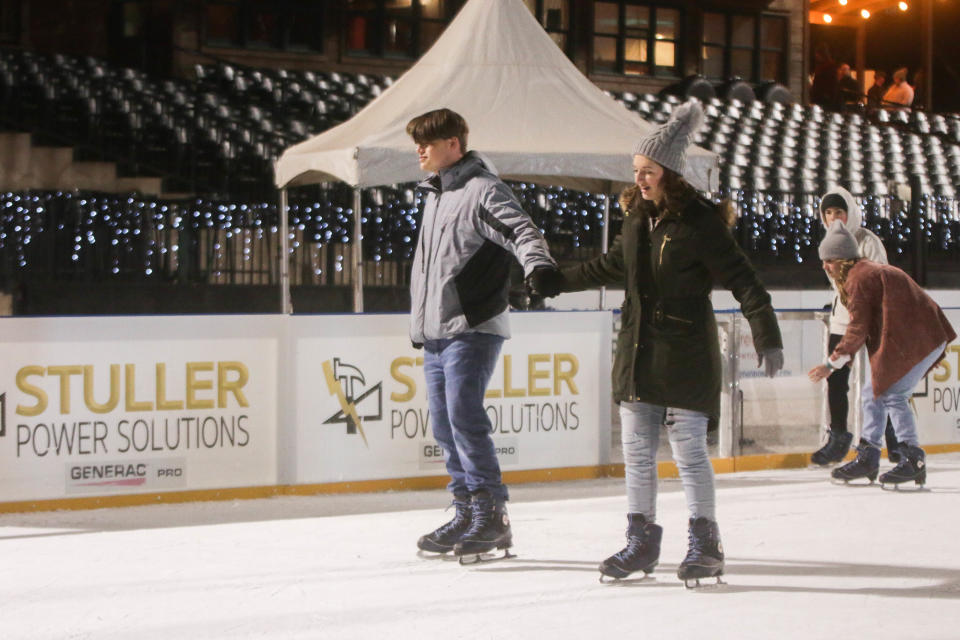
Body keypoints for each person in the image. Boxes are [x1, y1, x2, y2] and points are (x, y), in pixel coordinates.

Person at [529, 100, 784, 586]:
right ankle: (641, 539)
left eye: (647, 170)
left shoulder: (700, 222)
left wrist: (766, 334)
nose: (640, 179)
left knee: (688, 447)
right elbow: (610, 267)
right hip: (638, 348)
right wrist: (555, 281)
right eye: (636, 171)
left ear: (669, 171)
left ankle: (706, 542)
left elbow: (744, 279)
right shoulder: (635, 219)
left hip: (685, 347)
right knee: (638, 450)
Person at [406, 108, 559, 561]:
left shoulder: (482, 190)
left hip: (472, 327)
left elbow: (522, 230)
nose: (420, 150)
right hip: (436, 331)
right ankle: (466, 510)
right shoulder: (435, 195)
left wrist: (540, 267)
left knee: (464, 418)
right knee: (445, 424)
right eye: (418, 142)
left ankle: (492, 515)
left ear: (454, 144)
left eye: (428, 142)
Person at [808, 221, 955, 487]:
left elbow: (857, 329)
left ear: (843, 259)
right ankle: (869, 454)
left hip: (921, 339)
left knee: (893, 394)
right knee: (872, 392)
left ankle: (913, 458)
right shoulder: (862, 273)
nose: (825, 266)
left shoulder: (859, 278)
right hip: (918, 337)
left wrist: (831, 363)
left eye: (829, 260)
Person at [811, 186, 901, 466]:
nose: (834, 218)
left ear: (849, 213)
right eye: (828, 212)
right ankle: (838, 437)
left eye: (839, 211)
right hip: (842, 320)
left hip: (872, 320)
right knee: (836, 380)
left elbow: (880, 281)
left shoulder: (867, 241)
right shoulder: (827, 241)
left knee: (881, 380)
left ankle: (893, 439)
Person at [810, 43, 840, 110]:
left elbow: (832, 84)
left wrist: (826, 96)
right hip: (819, 98)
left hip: (825, 100)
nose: (816, 56)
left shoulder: (830, 67)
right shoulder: (820, 66)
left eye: (817, 54)